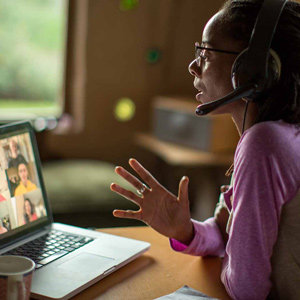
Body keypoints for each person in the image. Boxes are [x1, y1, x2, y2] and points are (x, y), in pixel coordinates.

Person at [110, 0, 300, 299]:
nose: (193, 65)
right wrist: (186, 230)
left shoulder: (264, 143)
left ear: (253, 69)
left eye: (206, 53)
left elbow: (246, 288)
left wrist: (231, 260)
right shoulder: (281, 134)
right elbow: (228, 234)